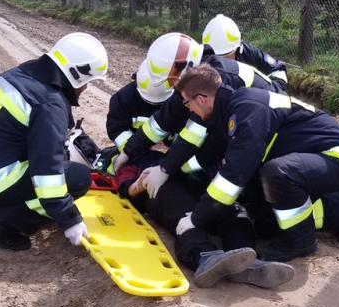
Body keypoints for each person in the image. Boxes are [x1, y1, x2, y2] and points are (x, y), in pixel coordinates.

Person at [108, 60, 294, 288]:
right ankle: (204, 257)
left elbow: (199, 154)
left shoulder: (178, 151)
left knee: (234, 213)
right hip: (164, 191)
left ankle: (246, 260)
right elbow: (126, 188)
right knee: (181, 213)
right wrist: (143, 182)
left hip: (197, 182)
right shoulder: (136, 160)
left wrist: (175, 168)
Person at [174, 64, 339, 262]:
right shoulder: (229, 110)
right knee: (267, 226)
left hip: (336, 156)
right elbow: (214, 150)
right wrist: (174, 169)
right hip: (309, 159)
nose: (189, 110)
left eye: (187, 103)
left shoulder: (247, 110)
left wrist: (196, 218)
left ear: (201, 99)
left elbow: (235, 174)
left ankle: (302, 241)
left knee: (278, 173)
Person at [0, 33, 109, 250]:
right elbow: (47, 171)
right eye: (88, 82)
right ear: (77, 75)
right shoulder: (49, 103)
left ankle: (12, 207)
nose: (86, 88)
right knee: (79, 177)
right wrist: (69, 219)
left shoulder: (15, 76)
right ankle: (3, 223)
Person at [112, 32, 287, 196]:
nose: (171, 85)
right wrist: (129, 150)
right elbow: (163, 119)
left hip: (273, 132)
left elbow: (194, 133)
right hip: (249, 128)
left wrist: (164, 169)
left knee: (249, 181)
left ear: (186, 66)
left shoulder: (216, 80)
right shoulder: (195, 79)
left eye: (171, 79)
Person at [202, 14, 288, 85]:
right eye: (217, 58)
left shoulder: (249, 53)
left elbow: (277, 69)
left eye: (226, 56)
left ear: (238, 48)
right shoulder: (199, 62)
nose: (222, 62)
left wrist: (273, 89)